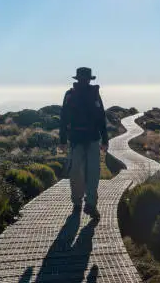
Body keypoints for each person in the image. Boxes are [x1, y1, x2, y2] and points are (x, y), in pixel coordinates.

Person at [59, 67, 109, 220]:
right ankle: (77, 203)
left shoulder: (94, 94)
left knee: (92, 173)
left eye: (85, 79)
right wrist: (62, 140)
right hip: (76, 141)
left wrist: (105, 139)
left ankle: (91, 205)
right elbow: (64, 118)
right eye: (82, 79)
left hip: (92, 139)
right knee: (76, 173)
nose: (84, 81)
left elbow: (101, 116)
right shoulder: (70, 95)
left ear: (88, 79)